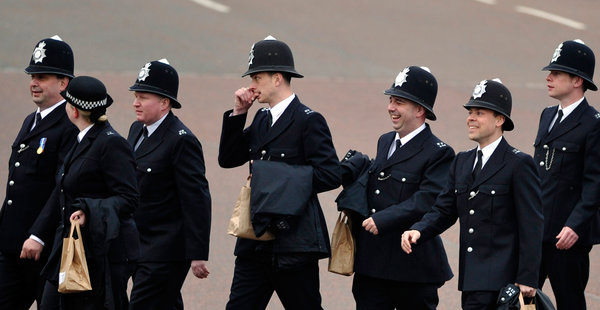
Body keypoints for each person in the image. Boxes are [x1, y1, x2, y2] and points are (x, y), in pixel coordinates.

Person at [218, 35, 341, 310]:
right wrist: (239, 113)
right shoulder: (261, 117)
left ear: (277, 78)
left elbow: (330, 173)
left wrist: (274, 180)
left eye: (257, 77)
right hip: (255, 240)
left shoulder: (308, 120)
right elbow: (228, 159)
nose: (251, 85)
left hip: (294, 243)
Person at [401, 79, 543, 310]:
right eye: (470, 112)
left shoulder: (519, 164)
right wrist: (419, 229)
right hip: (472, 279)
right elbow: (444, 209)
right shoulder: (462, 161)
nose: (470, 118)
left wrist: (528, 276)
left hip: (505, 280)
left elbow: (532, 224)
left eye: (479, 112)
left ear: (499, 120)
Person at [344, 66, 454, 310]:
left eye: (399, 102)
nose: (391, 107)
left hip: (412, 268)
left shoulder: (439, 152)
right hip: (373, 264)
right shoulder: (385, 141)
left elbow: (428, 199)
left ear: (420, 110)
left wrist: (383, 219)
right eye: (391, 100)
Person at [29, 76, 140, 310]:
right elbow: (62, 189)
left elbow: (129, 199)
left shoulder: (111, 144)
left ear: (75, 110)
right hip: (70, 248)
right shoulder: (81, 139)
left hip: (99, 255)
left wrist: (89, 210)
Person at [0, 35, 78, 310]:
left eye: (42, 77)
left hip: (44, 248)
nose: (34, 82)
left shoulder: (70, 126)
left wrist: (38, 235)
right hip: (13, 244)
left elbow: (62, 186)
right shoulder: (30, 120)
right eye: (32, 75)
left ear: (63, 82)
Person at [127, 58, 212, 310]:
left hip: (165, 250)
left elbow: (196, 198)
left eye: (143, 97)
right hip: (138, 243)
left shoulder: (181, 140)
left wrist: (198, 253)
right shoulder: (136, 130)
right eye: (135, 96)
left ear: (165, 103)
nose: (135, 103)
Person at [533, 39, 600, 309]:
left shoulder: (593, 124)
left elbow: (596, 182)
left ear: (576, 80)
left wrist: (575, 226)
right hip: (537, 230)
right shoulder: (547, 115)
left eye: (557, 73)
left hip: (567, 236)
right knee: (522, 298)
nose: (549, 78)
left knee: (570, 302)